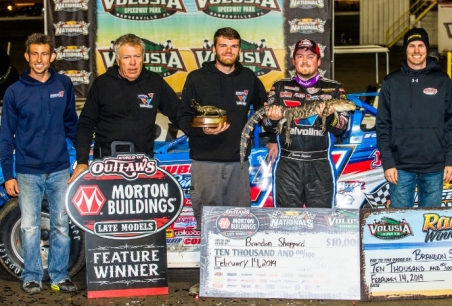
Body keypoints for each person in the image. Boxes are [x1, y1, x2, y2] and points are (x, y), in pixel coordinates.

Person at [0, 33, 78, 294]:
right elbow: (6, 136)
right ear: (27, 56)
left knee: (61, 226)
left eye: (44, 53)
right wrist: (7, 175)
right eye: (34, 54)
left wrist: (80, 159)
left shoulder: (64, 85)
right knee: (31, 227)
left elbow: (72, 125)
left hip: (59, 170)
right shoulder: (14, 91)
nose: (39, 59)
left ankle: (59, 276)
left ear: (52, 56)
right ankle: (31, 276)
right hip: (26, 171)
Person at [176, 27, 268, 230]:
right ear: (214, 48)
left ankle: (237, 262)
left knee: (240, 222)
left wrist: (273, 138)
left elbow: (266, 111)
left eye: (234, 46)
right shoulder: (197, 78)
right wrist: (202, 131)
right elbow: (182, 116)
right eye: (223, 46)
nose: (229, 51)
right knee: (209, 223)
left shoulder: (248, 78)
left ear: (239, 49)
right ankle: (209, 262)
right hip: (205, 162)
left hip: (239, 162)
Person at [69, 33, 181, 182]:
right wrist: (82, 161)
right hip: (106, 164)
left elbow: (180, 114)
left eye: (137, 57)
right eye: (127, 57)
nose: (133, 63)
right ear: (117, 60)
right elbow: (86, 124)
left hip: (143, 165)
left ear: (143, 58)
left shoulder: (154, 82)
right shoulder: (102, 85)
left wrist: (203, 131)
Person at [376, 27, 452, 208]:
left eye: (421, 45)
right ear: (405, 49)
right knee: (400, 226)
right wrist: (388, 162)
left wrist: (451, 160)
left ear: (427, 49)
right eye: (411, 46)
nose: (416, 50)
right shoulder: (391, 82)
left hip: (435, 168)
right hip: (400, 168)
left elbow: (451, 123)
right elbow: (382, 126)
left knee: (428, 227)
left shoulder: (442, 81)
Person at [264, 38, 349, 208]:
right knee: (286, 220)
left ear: (318, 61)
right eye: (300, 56)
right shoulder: (279, 87)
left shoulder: (334, 88)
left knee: (321, 221)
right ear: (293, 61)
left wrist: (331, 116)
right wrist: (272, 120)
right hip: (287, 164)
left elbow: (341, 128)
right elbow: (266, 125)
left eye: (310, 56)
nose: (304, 61)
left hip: (320, 164)